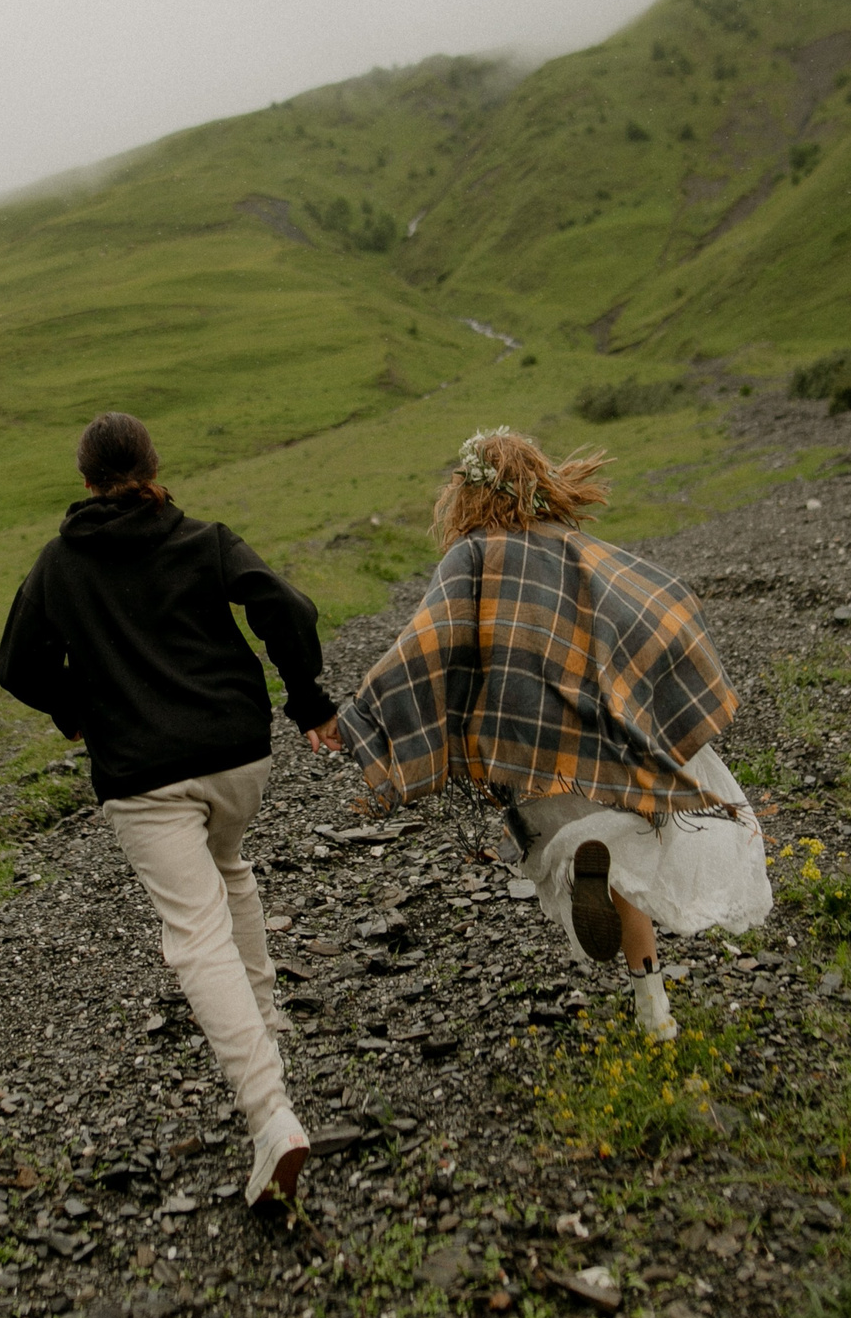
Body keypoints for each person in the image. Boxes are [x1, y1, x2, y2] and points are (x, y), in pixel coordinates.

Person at [314, 427, 769, 1039]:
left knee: (564, 841)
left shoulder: (472, 555)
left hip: (527, 740)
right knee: (627, 852)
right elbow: (646, 605)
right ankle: (654, 1009)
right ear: (538, 481)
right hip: (605, 731)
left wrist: (362, 715)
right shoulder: (575, 544)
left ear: (466, 494)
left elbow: (427, 641)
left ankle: (584, 869)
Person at [0, 412, 337, 1209]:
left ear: (85, 481)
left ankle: (271, 1117)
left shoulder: (58, 565)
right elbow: (286, 606)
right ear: (153, 467)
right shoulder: (203, 538)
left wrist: (75, 709)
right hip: (238, 756)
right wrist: (308, 699)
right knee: (229, 865)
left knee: (194, 934)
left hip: (145, 776)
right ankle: (266, 1019)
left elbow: (17, 664)